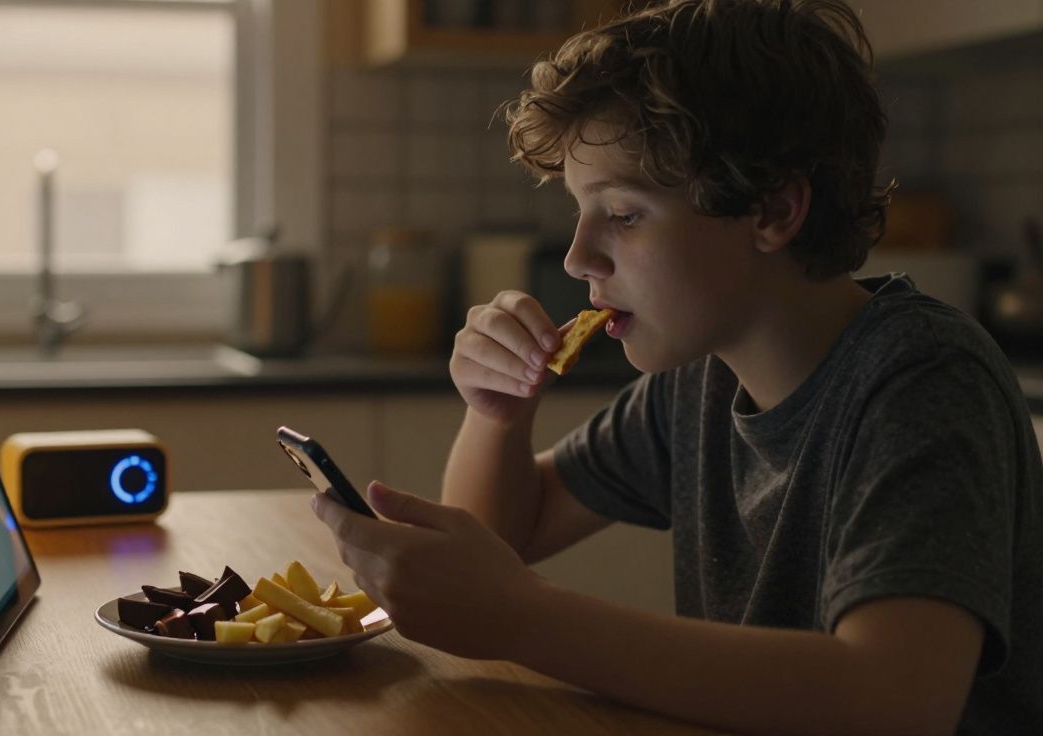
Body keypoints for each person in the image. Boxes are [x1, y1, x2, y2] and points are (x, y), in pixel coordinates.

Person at [309, 1, 1043, 733]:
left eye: (623, 215)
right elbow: (500, 540)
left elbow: (896, 700)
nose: (577, 258)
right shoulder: (701, 380)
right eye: (579, 212)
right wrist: (498, 411)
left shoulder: (921, 383)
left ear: (772, 212)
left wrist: (525, 620)